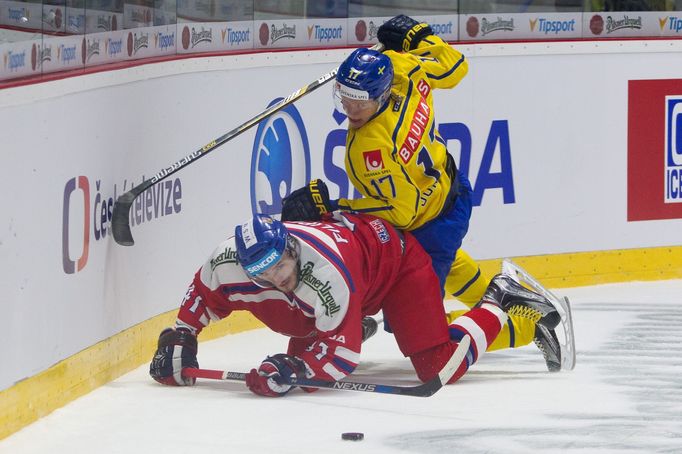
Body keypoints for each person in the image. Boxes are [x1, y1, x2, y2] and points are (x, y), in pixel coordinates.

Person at [280, 15, 561, 370]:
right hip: (448, 193)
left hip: (429, 219)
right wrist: (419, 38)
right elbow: (454, 67)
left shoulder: (374, 147)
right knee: (437, 264)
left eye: (359, 102)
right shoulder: (404, 69)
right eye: (344, 97)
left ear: (381, 95)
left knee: (415, 330)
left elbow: (402, 214)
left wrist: (335, 208)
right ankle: (501, 293)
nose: (350, 110)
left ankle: (520, 321)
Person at [149, 213, 559, 396]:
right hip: (353, 278)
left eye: (282, 265)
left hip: (395, 267)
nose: (277, 278)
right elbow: (201, 296)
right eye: (264, 274)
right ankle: (348, 319)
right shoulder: (226, 263)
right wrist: (181, 336)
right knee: (304, 341)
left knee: (438, 366)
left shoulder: (324, 271)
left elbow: (342, 356)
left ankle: (498, 300)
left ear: (291, 247)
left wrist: (298, 371)